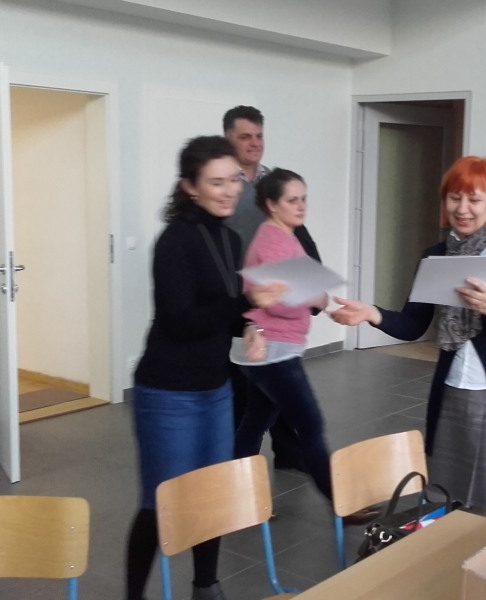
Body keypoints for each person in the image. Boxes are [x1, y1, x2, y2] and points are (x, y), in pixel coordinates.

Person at [329, 156, 486, 522]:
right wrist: (372, 313)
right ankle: (456, 553)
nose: (463, 209)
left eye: (474, 199)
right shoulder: (436, 254)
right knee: (451, 491)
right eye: (454, 198)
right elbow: (413, 325)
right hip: (452, 388)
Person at [125, 136, 285, 600]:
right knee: (161, 502)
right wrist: (245, 302)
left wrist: (248, 325)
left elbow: (224, 310)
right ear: (189, 187)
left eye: (233, 180)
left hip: (215, 389)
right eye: (216, 182)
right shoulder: (174, 241)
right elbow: (181, 321)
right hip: (167, 393)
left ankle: (206, 588)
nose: (229, 190)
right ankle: (132, 595)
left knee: (211, 494)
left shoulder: (230, 238)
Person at [222, 105, 320, 471]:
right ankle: (236, 468)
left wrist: (313, 285)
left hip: (277, 299)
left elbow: (298, 236)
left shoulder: (272, 180)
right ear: (228, 139)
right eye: (244, 137)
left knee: (273, 389)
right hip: (241, 296)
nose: (254, 143)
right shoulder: (223, 184)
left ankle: (288, 453)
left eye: (259, 136)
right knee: (246, 390)